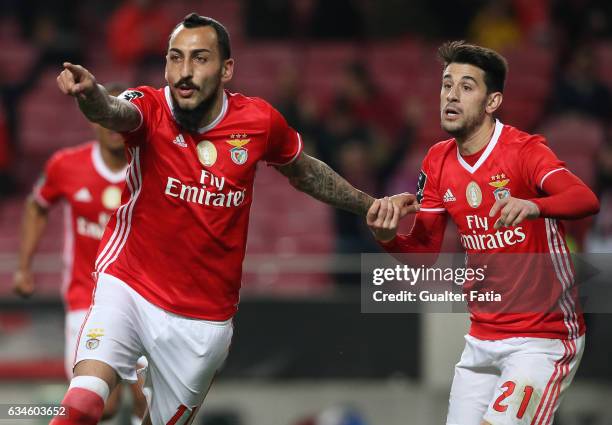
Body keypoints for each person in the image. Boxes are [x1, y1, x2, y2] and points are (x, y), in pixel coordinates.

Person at [50, 13, 415, 425]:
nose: (184, 73)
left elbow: (305, 171)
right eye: (175, 58)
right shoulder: (149, 106)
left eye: (199, 59)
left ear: (226, 69)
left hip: (204, 322)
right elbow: (115, 111)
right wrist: (90, 95)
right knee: (81, 404)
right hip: (130, 284)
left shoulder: (258, 122)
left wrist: (367, 205)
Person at [367, 41, 599, 425]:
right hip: (481, 339)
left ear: (492, 102)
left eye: (466, 86)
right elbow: (424, 254)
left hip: (542, 338)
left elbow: (584, 197)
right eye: (446, 84)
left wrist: (534, 205)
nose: (451, 95)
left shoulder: (525, 151)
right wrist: (386, 236)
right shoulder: (437, 160)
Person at [13, 84, 147, 425]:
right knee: (104, 404)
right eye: (106, 120)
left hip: (143, 299)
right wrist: (24, 266)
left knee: (148, 395)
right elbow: (36, 205)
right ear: (93, 120)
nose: (113, 130)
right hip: (85, 301)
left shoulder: (154, 168)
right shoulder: (67, 165)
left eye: (121, 123)